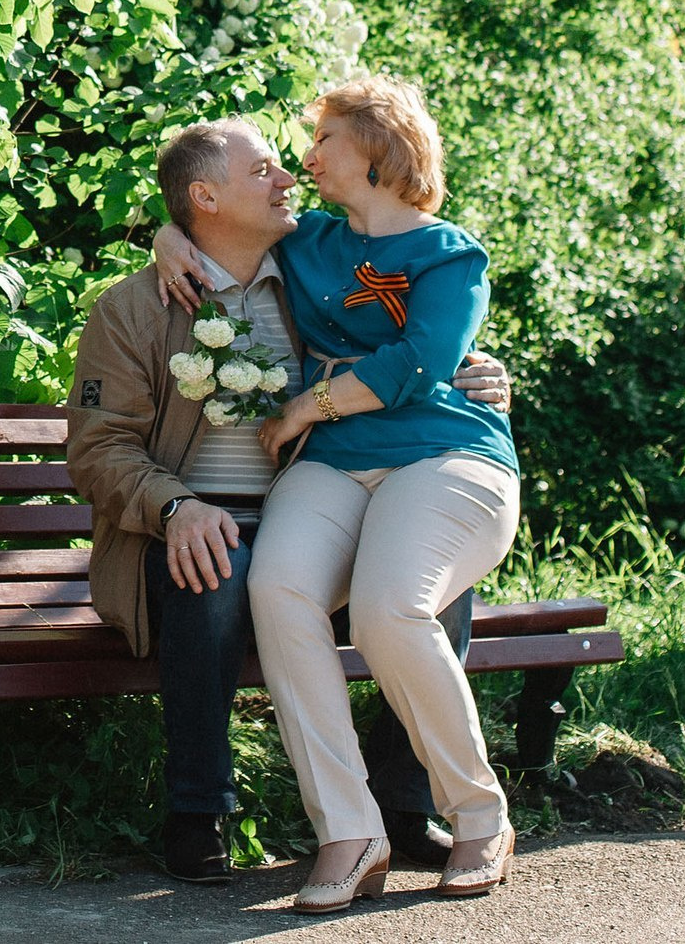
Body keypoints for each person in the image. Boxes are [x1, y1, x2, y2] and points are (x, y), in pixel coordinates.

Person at [65, 115, 511, 886]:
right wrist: (173, 507)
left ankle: (404, 804)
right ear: (206, 197)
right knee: (215, 571)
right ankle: (200, 810)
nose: (288, 177)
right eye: (264, 169)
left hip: (304, 511)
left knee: (434, 591)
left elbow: (397, 316)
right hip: (180, 528)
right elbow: (98, 447)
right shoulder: (133, 309)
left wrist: (473, 366)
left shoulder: (301, 272)